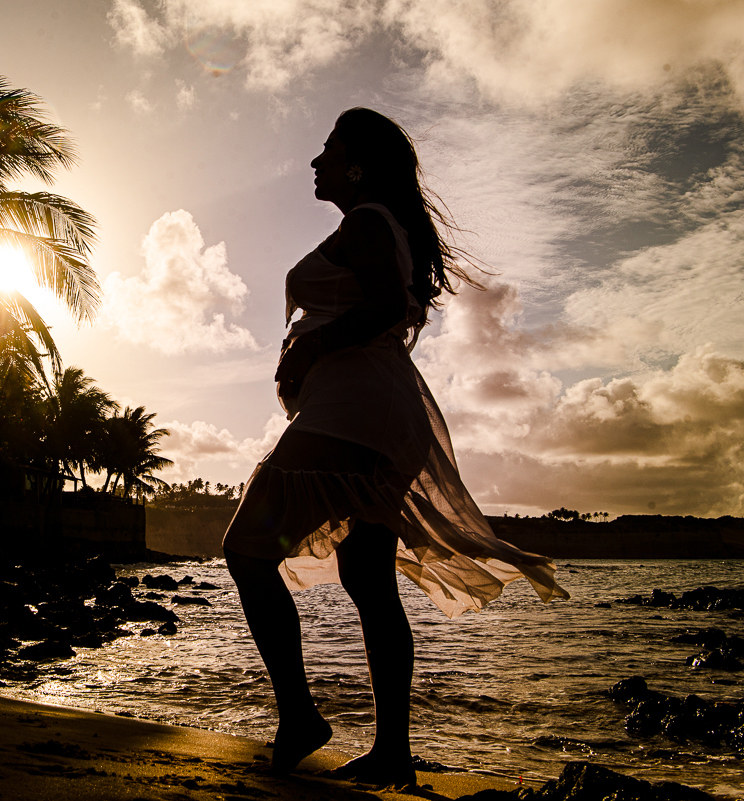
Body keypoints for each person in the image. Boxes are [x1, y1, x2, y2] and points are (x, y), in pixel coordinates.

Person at [221, 108, 569, 787]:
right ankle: (393, 753)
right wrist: (306, 357)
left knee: (246, 547)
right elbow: (378, 306)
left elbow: (384, 306)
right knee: (368, 577)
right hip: (374, 415)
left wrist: (308, 350)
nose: (315, 162)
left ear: (358, 161)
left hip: (354, 416)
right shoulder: (377, 223)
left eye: (329, 149)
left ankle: (299, 714)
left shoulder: (370, 222)